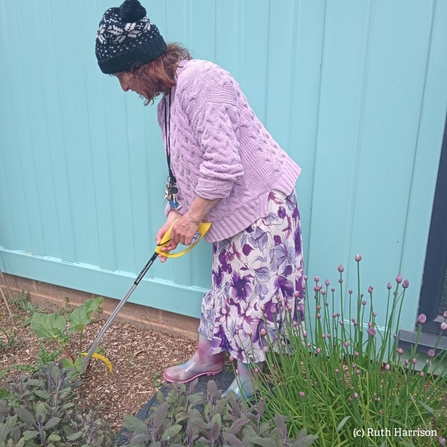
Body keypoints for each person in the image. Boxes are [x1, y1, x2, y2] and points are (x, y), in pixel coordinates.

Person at [96, 0, 305, 398]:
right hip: (230, 215)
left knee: (253, 299)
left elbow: (224, 165)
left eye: (122, 75)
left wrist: (192, 219)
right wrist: (174, 216)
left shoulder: (203, 81)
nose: (124, 86)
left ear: (141, 64)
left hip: (263, 208)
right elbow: (182, 173)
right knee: (226, 290)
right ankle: (208, 357)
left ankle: (249, 386)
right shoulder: (168, 105)